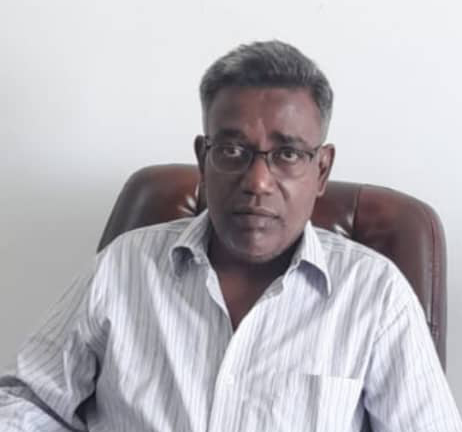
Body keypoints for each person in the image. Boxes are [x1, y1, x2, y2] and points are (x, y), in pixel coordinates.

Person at [0, 40, 461, 432]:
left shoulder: (375, 296)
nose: (257, 181)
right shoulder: (124, 268)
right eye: (233, 150)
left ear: (321, 170)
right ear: (204, 159)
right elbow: (28, 402)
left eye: (287, 154)